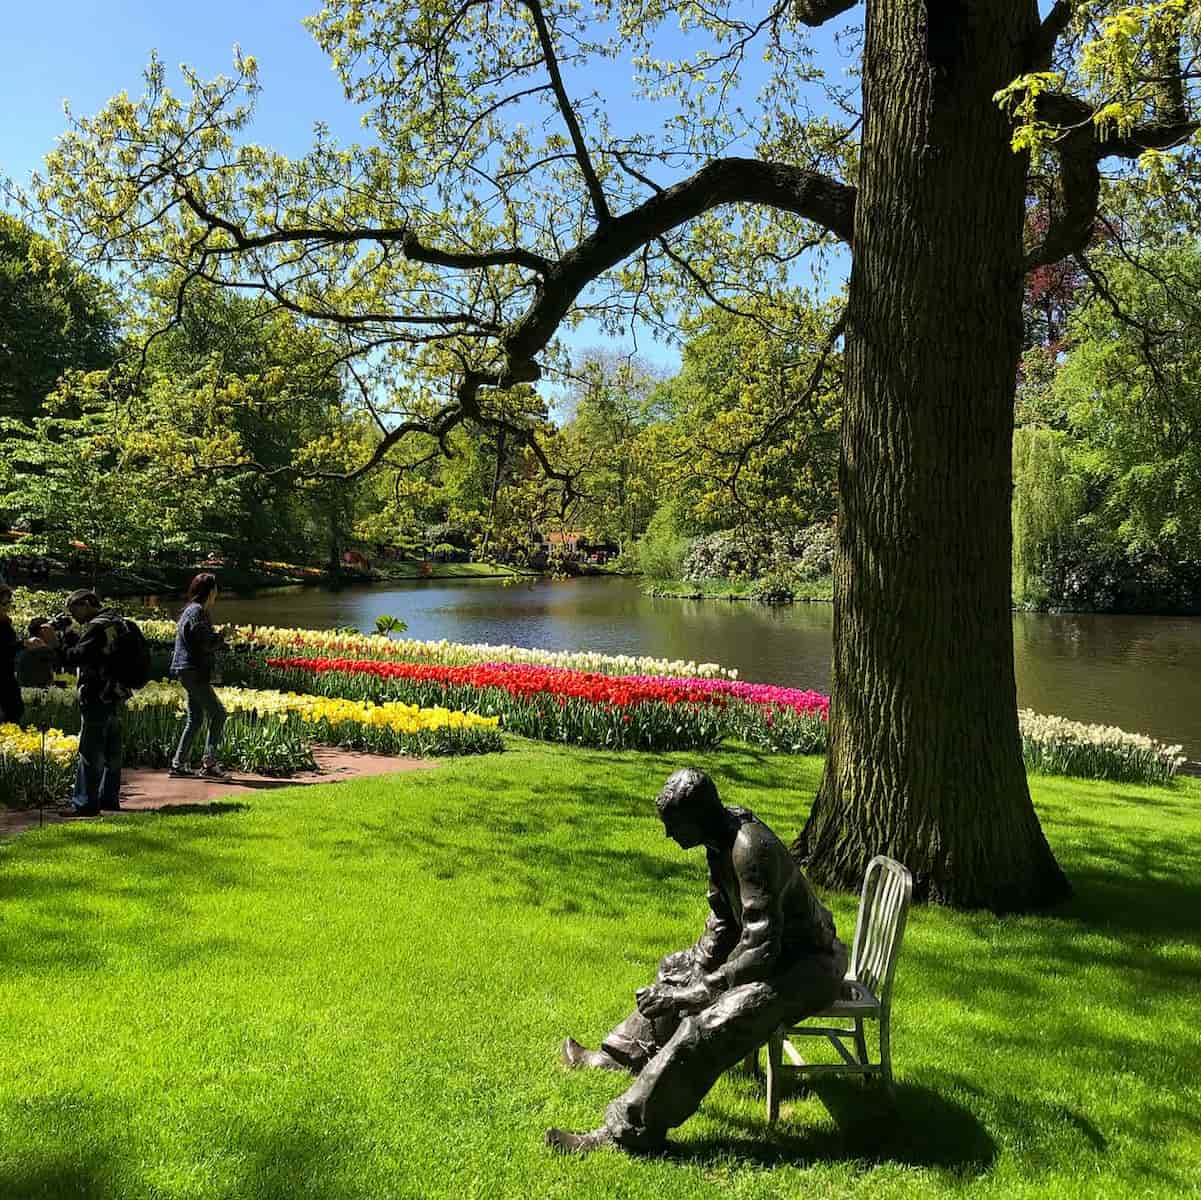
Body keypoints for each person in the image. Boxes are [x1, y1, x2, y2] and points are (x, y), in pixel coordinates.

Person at [545, 768, 848, 1156]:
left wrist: (697, 993)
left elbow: (760, 948)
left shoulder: (749, 849)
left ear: (697, 817)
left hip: (808, 966)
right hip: (776, 956)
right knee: (678, 968)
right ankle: (620, 1055)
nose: (668, 835)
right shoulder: (718, 839)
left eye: (673, 825)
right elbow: (723, 919)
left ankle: (629, 1131)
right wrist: (696, 968)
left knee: (708, 1026)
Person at [60, 589, 126, 816]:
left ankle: (85, 803)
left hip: (96, 692)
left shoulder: (96, 627)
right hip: (116, 691)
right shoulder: (116, 621)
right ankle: (109, 798)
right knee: (112, 750)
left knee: (90, 750)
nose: (74, 617)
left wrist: (59, 644)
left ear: (87, 603)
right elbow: (96, 651)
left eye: (74, 611)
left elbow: (77, 656)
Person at [168, 572, 229, 779]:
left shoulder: (191, 610)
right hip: (193, 671)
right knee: (219, 714)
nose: (217, 592)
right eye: (216, 588)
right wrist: (222, 637)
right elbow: (205, 643)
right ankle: (209, 764)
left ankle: (178, 764)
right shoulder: (197, 612)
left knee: (195, 719)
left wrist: (217, 638)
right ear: (210, 591)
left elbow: (198, 640)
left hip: (187, 669)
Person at [0, 584, 40, 724]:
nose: (7, 607)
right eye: (3, 604)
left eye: (8, 603)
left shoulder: (5, 623)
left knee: (15, 713)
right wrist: (23, 644)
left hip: (7, 678)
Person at [16, 617, 61, 688]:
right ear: (43, 631)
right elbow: (59, 656)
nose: (54, 631)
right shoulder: (39, 648)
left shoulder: (29, 645)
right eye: (51, 629)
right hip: (37, 689)